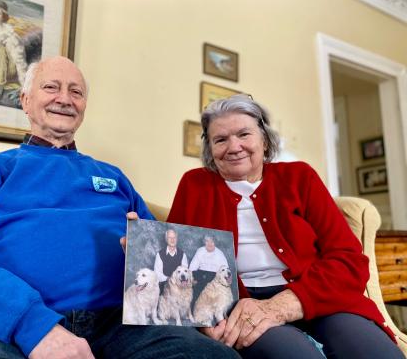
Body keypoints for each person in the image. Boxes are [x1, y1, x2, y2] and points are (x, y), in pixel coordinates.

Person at [0, 56, 240, 359]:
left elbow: (167, 257)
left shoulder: (113, 178)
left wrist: (197, 307)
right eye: (51, 88)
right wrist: (34, 327)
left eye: (75, 92)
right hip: (15, 326)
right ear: (25, 100)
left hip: (119, 325)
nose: (65, 98)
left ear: (84, 107)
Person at [166, 94, 404, 359]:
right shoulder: (194, 185)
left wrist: (284, 304)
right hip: (237, 307)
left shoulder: (300, 177)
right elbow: (179, 264)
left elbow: (349, 260)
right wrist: (148, 251)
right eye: (220, 139)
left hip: (319, 295)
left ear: (264, 140)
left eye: (244, 134)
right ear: (210, 150)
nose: (234, 147)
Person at [189, 235, 229, 304]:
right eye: (207, 241)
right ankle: (194, 309)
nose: (209, 244)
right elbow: (192, 267)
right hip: (201, 276)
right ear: (204, 242)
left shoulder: (220, 254)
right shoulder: (200, 251)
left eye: (212, 242)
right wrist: (192, 279)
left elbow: (225, 270)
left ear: (215, 243)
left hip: (214, 277)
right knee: (195, 291)